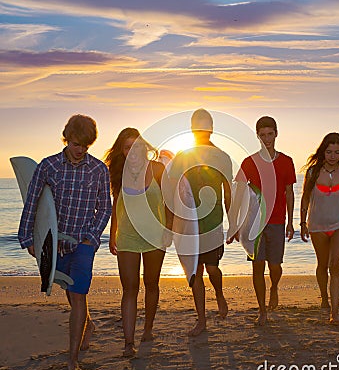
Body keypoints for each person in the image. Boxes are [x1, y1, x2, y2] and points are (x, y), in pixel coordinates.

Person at [18, 114, 112, 370]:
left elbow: (105, 208)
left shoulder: (98, 170)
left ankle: (72, 359)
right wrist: (28, 238)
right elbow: (33, 202)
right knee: (69, 291)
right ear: (66, 138)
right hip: (55, 243)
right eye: (75, 144)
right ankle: (87, 324)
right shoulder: (48, 167)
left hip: (83, 243)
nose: (80, 150)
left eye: (85, 145)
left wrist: (91, 238)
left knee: (79, 292)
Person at [105, 128, 173, 357]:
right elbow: (116, 205)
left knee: (151, 284)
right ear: (121, 151)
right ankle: (128, 343)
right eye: (127, 147)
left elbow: (169, 203)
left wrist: (169, 230)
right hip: (127, 237)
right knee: (130, 289)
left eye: (136, 146)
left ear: (144, 147)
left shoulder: (157, 169)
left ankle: (148, 328)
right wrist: (113, 232)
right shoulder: (117, 172)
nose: (132, 151)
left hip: (155, 236)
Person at [169, 109, 232, 336]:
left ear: (211, 129)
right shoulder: (183, 156)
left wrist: (232, 222)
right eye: (198, 128)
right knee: (195, 272)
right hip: (188, 224)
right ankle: (201, 319)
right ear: (192, 130)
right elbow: (172, 189)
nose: (201, 132)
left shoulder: (222, 157)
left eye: (205, 128)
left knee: (212, 268)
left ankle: (219, 294)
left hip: (213, 222)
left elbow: (228, 192)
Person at [227, 116, 296, 326]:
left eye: (270, 134)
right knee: (257, 266)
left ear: (276, 134)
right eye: (262, 135)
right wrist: (235, 224)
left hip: (276, 221)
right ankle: (262, 310)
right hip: (254, 223)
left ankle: (274, 287)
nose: (267, 139)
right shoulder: (250, 162)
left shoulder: (286, 161)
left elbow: (289, 192)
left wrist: (291, 222)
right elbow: (238, 192)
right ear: (257, 136)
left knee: (275, 267)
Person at [300, 132, 339, 324]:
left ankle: (334, 313)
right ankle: (324, 298)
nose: (332, 156)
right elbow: (305, 198)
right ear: (323, 152)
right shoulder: (312, 172)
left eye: (337, 152)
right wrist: (302, 223)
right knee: (322, 264)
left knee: (334, 266)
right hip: (317, 226)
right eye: (329, 151)